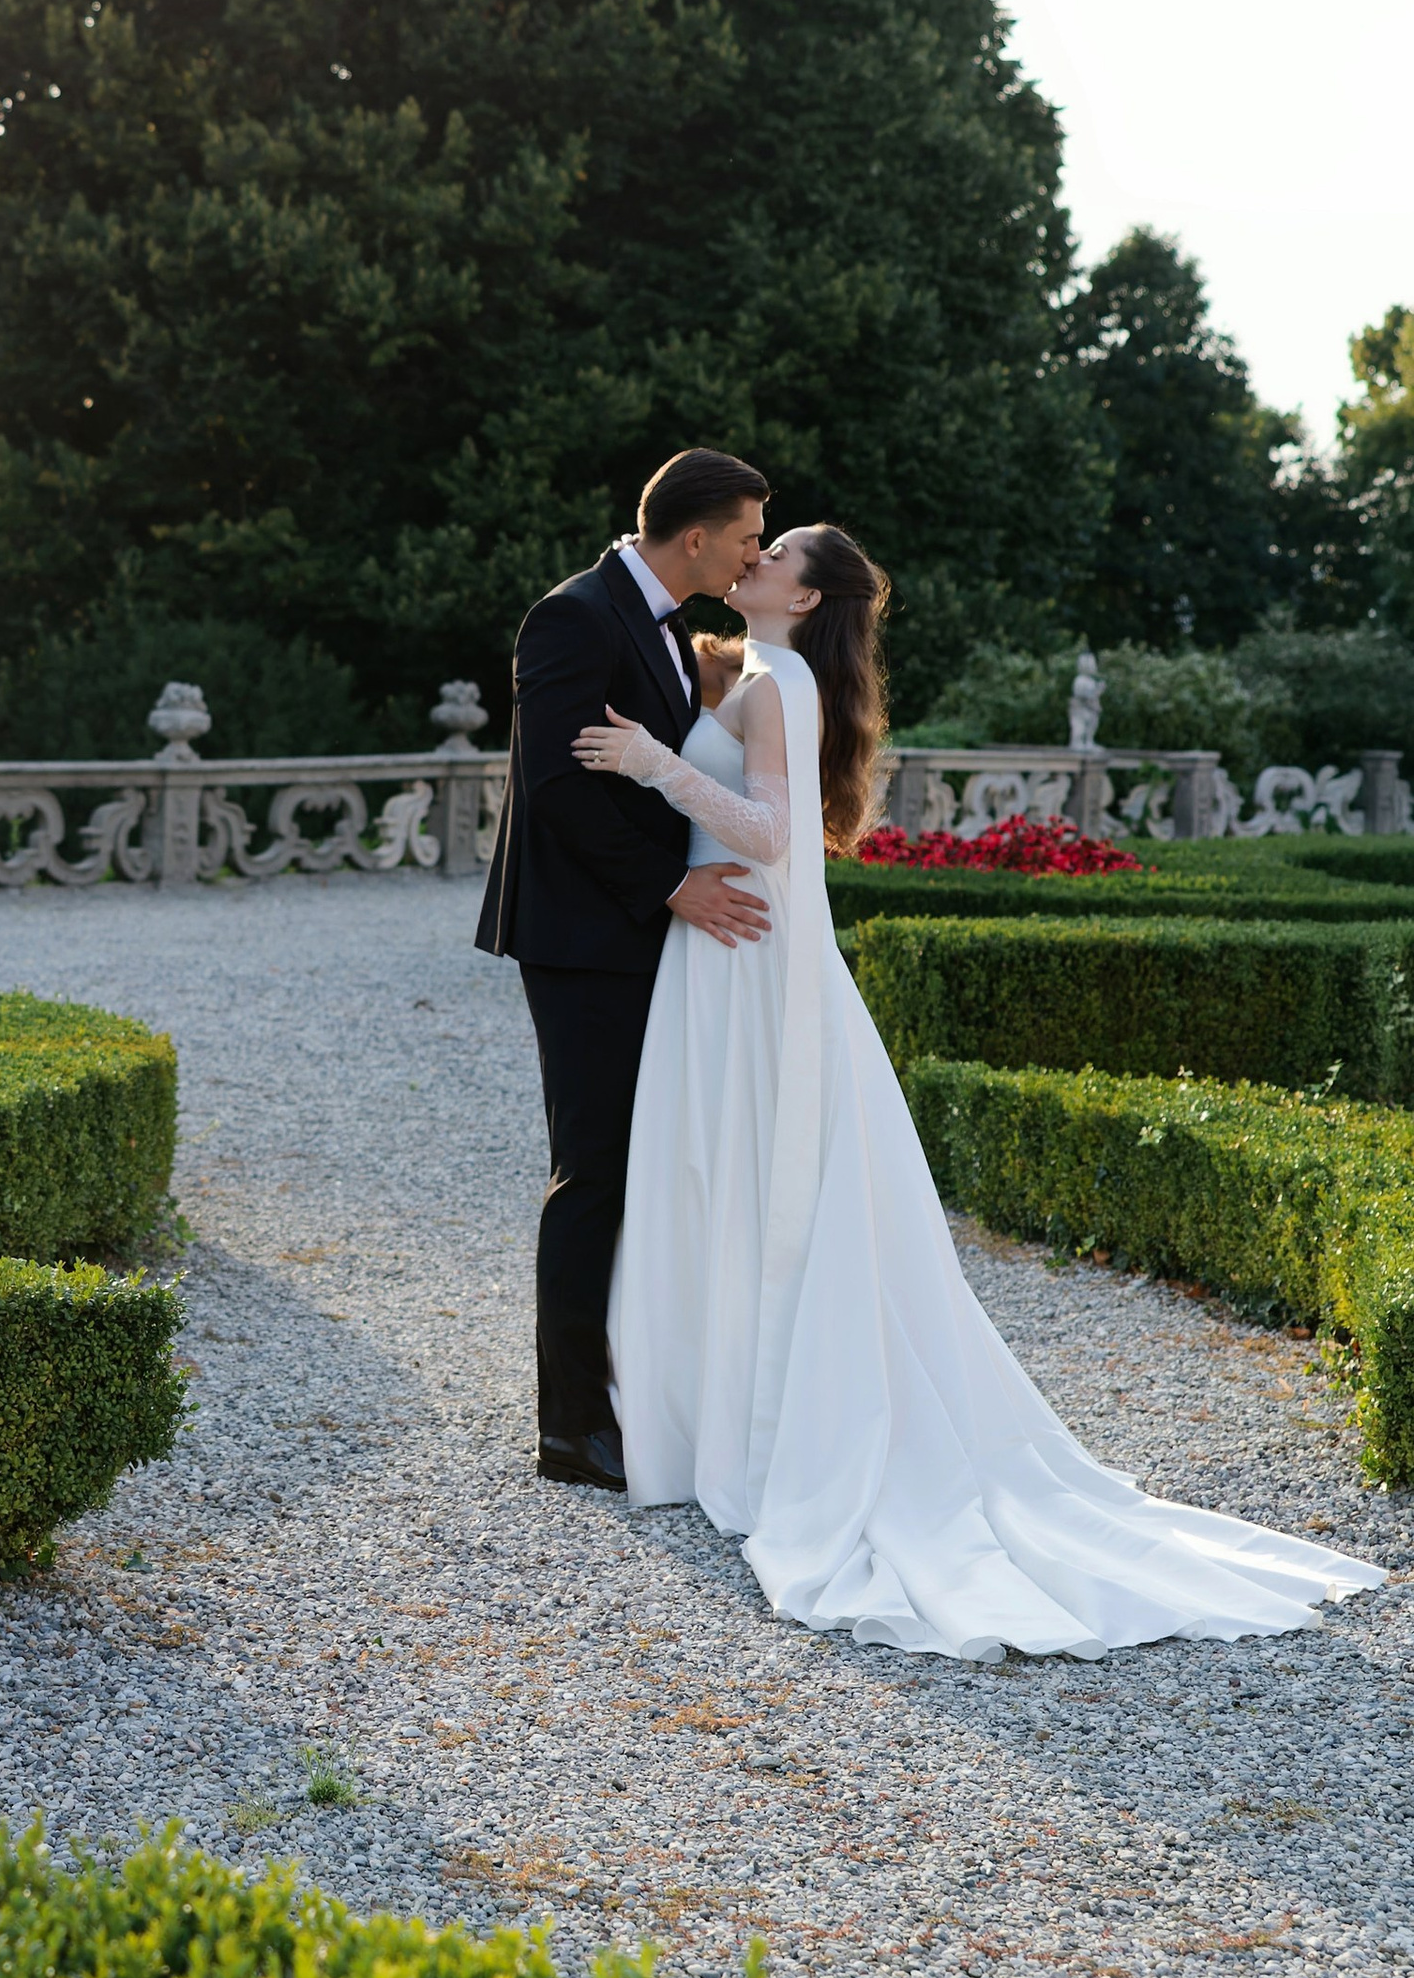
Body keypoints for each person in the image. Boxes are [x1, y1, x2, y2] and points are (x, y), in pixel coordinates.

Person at [570, 524, 1384, 1657]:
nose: (756, 557)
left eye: (778, 552)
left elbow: (774, 835)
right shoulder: (748, 669)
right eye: (755, 543)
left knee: (747, 1174)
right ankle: (701, 1406)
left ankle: (756, 1422)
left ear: (804, 599)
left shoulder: (783, 681)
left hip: (748, 955)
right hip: (717, 959)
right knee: (714, 1172)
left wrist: (651, 764)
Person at [476, 447, 774, 1488]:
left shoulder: (660, 629)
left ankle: (625, 1392)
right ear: (694, 537)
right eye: (745, 535)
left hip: (635, 936)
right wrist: (669, 888)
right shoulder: (573, 616)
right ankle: (567, 1427)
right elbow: (556, 785)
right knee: (591, 1172)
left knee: (639, 1165)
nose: (752, 553)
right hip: (581, 938)